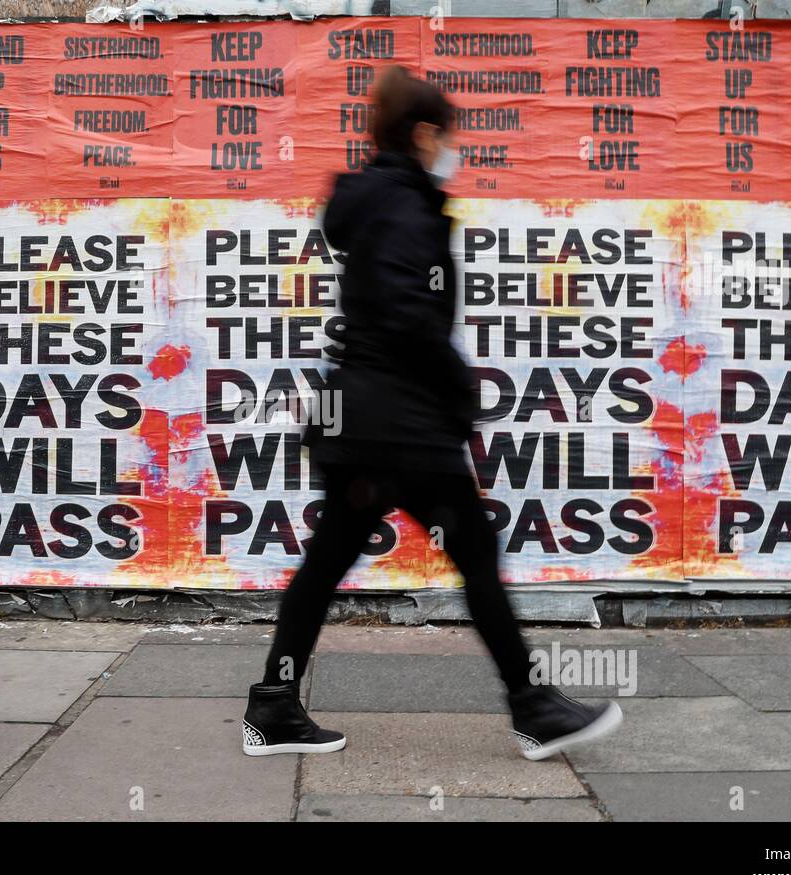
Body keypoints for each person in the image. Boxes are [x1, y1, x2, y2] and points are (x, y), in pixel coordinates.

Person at [241, 66, 623, 761]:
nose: (453, 151)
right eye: (448, 137)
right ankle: (532, 705)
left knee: (327, 563)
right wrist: (459, 388)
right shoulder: (407, 205)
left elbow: (391, 311)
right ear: (423, 134)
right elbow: (408, 316)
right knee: (474, 553)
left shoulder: (377, 202)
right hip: (399, 424)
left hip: (361, 419)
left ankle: (274, 705)